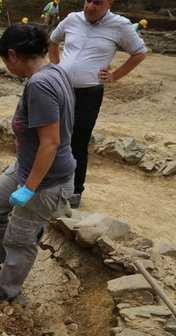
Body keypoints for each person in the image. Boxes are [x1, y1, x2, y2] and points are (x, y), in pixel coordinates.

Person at [0, 24, 76, 303]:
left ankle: (5, 291)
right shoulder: (56, 70)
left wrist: (29, 188)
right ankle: (4, 260)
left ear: (12, 55)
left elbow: (51, 142)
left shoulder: (40, 85)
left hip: (46, 179)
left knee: (20, 239)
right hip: (27, 165)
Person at [49, 0, 147, 208]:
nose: (90, 6)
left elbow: (139, 53)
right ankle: (48, 183)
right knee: (52, 136)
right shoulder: (72, 19)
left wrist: (115, 75)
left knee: (79, 140)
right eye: (88, 0)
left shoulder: (120, 25)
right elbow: (53, 41)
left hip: (89, 93)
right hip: (62, 89)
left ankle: (75, 190)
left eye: (97, 2)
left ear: (109, 3)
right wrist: (56, 67)